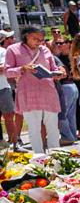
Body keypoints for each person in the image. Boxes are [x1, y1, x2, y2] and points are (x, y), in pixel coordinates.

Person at [5, 25, 63, 153]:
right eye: (35, 38)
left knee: (53, 127)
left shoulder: (45, 50)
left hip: (48, 92)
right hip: (28, 93)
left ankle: (57, 157)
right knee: (34, 128)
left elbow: (53, 68)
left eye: (41, 39)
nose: (38, 42)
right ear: (26, 36)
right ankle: (39, 159)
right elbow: (7, 71)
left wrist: (59, 73)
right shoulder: (13, 49)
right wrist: (22, 69)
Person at [0, 30, 17, 145]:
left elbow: (2, 68)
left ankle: (14, 143)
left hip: (3, 88)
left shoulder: (3, 51)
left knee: (9, 116)